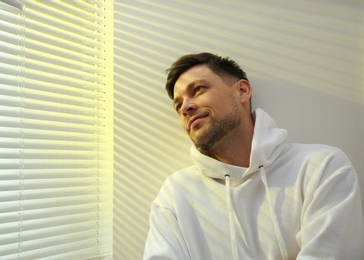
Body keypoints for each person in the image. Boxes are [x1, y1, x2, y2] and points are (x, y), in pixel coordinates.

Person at [143, 52, 364, 259]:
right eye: (178, 104)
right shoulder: (175, 193)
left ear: (242, 91)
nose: (185, 107)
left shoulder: (322, 168)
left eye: (198, 90)